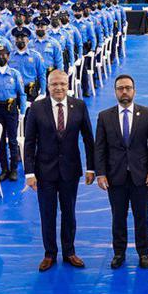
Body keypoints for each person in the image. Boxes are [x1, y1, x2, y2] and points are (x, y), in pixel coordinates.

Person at [24, 69, 96, 271]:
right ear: (48, 86)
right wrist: (29, 173)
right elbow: (29, 143)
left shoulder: (79, 106)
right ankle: (49, 254)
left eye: (62, 84)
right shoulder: (37, 108)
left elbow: (89, 139)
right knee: (47, 213)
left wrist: (91, 168)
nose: (59, 88)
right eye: (54, 84)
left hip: (70, 171)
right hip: (44, 171)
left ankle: (69, 252)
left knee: (69, 213)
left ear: (68, 84)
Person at [94, 74, 148, 269]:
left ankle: (143, 253)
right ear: (115, 91)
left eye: (128, 88)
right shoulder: (105, 116)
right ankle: (119, 253)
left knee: (142, 216)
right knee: (118, 216)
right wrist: (101, 173)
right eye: (120, 88)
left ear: (134, 90)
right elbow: (100, 147)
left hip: (142, 176)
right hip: (115, 177)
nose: (124, 91)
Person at [0, 43, 25, 181]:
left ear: (8, 56)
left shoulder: (15, 74)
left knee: (13, 140)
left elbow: (22, 93)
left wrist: (22, 111)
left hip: (11, 109)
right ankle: (4, 168)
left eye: (3, 55)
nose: (1, 57)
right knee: (0, 141)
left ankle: (14, 168)